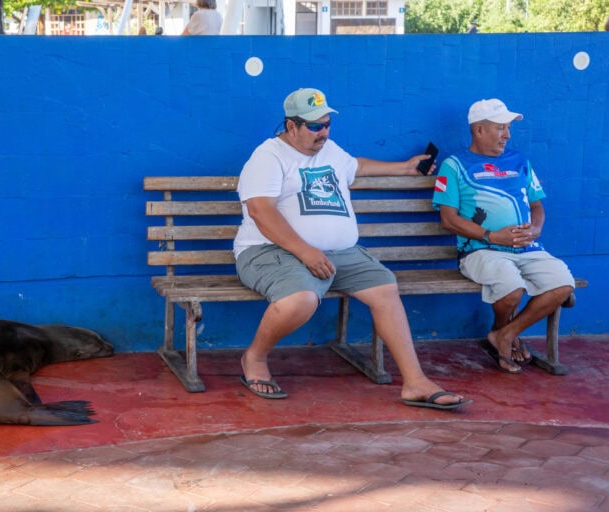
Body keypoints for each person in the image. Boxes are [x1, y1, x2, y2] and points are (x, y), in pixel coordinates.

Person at [233, 87, 470, 410]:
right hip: (270, 250)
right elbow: (261, 211)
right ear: (291, 126)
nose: (324, 132)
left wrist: (404, 167)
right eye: (316, 126)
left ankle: (415, 382)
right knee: (300, 300)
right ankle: (254, 358)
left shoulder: (328, 150)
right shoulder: (268, 157)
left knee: (386, 288)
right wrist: (306, 252)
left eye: (328, 124)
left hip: (340, 253)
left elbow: (354, 166)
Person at [432, 99, 575, 374]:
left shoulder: (520, 160)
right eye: (500, 128)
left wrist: (535, 229)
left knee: (563, 284)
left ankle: (505, 334)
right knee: (512, 288)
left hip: (527, 247)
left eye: (508, 128)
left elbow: (537, 206)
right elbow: (448, 219)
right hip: (480, 249)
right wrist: (492, 236)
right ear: (479, 131)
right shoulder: (455, 165)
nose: (507, 135)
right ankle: (502, 332)